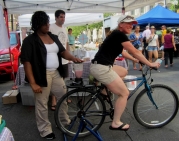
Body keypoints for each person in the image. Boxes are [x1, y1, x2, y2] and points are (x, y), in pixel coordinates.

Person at [90, 15, 160, 131]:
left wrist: (134, 60)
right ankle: (116, 122)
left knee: (123, 71)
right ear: (120, 24)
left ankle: (104, 90)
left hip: (100, 66)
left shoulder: (116, 35)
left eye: (132, 23)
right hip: (102, 68)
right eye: (128, 23)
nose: (131, 25)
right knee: (124, 93)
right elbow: (135, 51)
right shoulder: (119, 34)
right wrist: (150, 63)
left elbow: (124, 52)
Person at [20, 11, 82, 140]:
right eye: (44, 23)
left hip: (56, 73)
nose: (48, 25)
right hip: (41, 75)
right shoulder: (29, 40)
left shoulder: (53, 36)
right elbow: (26, 62)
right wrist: (33, 83)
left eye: (48, 22)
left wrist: (73, 58)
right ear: (37, 24)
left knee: (63, 97)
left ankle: (64, 122)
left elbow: (63, 52)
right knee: (42, 103)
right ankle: (45, 130)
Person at [49, 10, 70, 110]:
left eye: (64, 17)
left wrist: (69, 56)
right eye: (61, 17)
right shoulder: (51, 27)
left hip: (65, 59)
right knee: (55, 81)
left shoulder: (65, 28)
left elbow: (66, 43)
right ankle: (54, 100)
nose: (63, 19)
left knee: (63, 79)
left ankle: (63, 97)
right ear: (56, 18)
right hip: (55, 59)